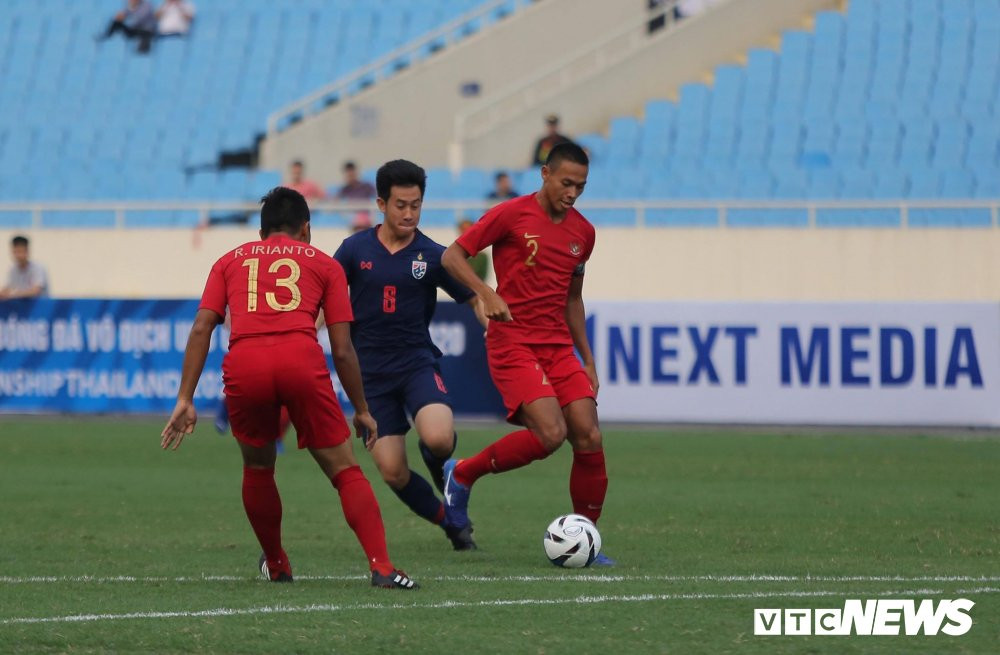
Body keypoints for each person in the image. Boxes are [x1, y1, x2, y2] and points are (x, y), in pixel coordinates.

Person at [161, 187, 418, 590]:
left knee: (259, 467)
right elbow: (343, 348)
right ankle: (382, 567)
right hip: (301, 358)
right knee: (345, 470)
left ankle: (277, 563)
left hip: (246, 365)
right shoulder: (325, 265)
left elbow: (201, 327)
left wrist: (184, 398)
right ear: (306, 229)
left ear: (262, 233)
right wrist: (363, 408)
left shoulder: (228, 261)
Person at [440, 143, 612, 565]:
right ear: (545, 174)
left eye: (581, 186)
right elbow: (452, 256)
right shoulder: (511, 214)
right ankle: (462, 473)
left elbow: (574, 299)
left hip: (557, 345)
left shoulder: (583, 234)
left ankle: (585, 540)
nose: (573, 193)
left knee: (588, 434)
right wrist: (485, 291)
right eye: (566, 183)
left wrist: (587, 357)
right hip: (512, 341)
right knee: (552, 434)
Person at [333, 160, 486, 551]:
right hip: (369, 378)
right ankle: (451, 523)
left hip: (416, 363)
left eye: (416, 205)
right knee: (392, 471)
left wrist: (495, 327)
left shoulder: (434, 255)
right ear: (381, 203)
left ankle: (439, 465)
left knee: (436, 438)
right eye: (400, 205)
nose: (408, 213)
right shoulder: (353, 250)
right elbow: (325, 301)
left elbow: (474, 299)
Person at [0, 236, 49, 300]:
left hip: (40, 307)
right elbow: (6, 289)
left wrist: (13, 294)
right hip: (22, 308)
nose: (18, 255)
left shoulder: (38, 268)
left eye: (20, 251)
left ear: (27, 251)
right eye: (16, 252)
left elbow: (36, 291)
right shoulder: (12, 270)